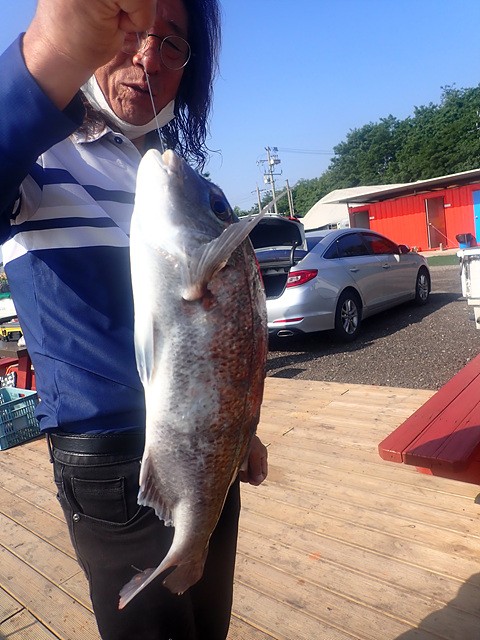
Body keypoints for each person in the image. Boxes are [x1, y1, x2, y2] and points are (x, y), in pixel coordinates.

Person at [0, 1, 268, 638]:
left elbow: (241, 340)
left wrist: (244, 430)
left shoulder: (198, 189)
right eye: (129, 30)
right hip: (109, 464)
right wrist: (50, 53)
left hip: (213, 454)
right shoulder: (37, 160)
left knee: (209, 624)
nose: (149, 57)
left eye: (172, 44)